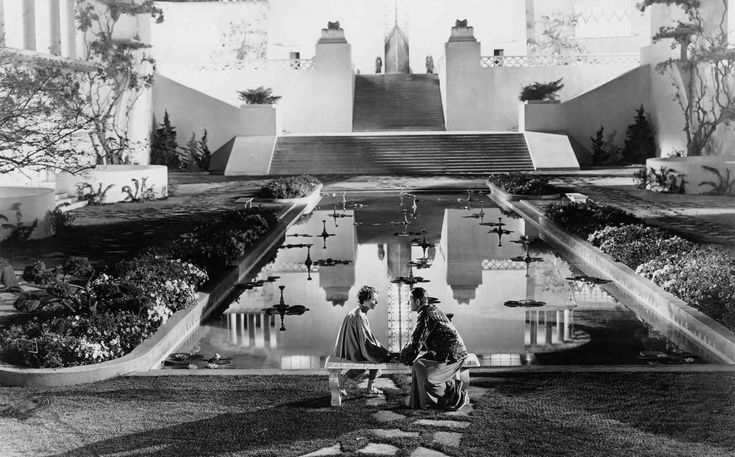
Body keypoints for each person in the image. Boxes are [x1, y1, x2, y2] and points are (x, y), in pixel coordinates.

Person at [399, 287, 470, 410]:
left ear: (417, 301)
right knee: (417, 365)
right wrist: (404, 355)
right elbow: (416, 340)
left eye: (409, 300)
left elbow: (416, 341)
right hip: (442, 354)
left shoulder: (426, 315)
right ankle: (421, 404)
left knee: (427, 377)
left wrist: (402, 357)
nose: (408, 303)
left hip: (452, 356)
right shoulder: (430, 310)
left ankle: (456, 394)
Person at [333, 285, 391, 396]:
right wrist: (383, 352)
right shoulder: (359, 316)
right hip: (351, 350)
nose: (376, 302)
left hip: (349, 347)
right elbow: (366, 341)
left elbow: (366, 338)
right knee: (375, 358)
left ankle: (371, 387)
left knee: (378, 354)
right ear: (365, 300)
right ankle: (341, 385)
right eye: (374, 299)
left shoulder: (359, 312)